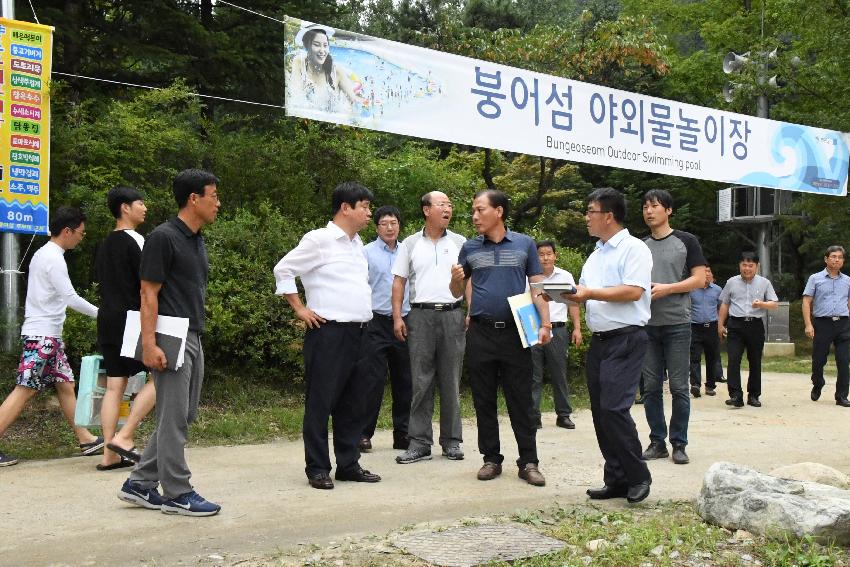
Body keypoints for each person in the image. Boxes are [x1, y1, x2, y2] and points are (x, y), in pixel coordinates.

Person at [117, 169, 221, 516]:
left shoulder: (196, 238)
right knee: (174, 416)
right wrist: (149, 345)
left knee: (183, 414)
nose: (218, 202)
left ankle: (141, 483)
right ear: (194, 199)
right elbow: (148, 293)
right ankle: (178, 491)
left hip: (192, 334)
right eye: (213, 195)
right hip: (169, 336)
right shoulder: (163, 237)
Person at [273, 181, 381, 490]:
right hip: (328, 332)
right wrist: (300, 308)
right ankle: (318, 467)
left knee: (354, 401)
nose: (369, 213)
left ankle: (348, 464)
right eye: (365, 207)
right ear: (346, 207)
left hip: (361, 332)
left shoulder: (358, 244)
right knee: (321, 401)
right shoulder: (319, 240)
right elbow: (283, 269)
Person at [449, 189, 550, 487]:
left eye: (480, 210)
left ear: (499, 212)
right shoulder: (469, 248)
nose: (475, 216)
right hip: (480, 331)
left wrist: (545, 323)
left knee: (521, 400)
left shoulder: (524, 245)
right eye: (473, 210)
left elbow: (537, 288)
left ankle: (529, 461)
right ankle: (491, 459)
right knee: (483, 399)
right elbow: (457, 293)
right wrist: (455, 282)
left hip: (515, 331)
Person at [568, 187, 653, 503]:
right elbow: (586, 292)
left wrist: (589, 294)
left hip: (627, 338)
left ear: (608, 215)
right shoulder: (595, 254)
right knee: (601, 412)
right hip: (600, 341)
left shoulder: (634, 249)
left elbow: (633, 291)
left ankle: (638, 476)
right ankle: (616, 477)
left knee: (615, 408)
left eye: (590, 211)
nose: (586, 217)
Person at [0, 207, 103, 467]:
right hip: (42, 337)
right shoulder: (53, 258)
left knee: (65, 386)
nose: (82, 237)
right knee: (24, 390)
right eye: (80, 232)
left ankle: (85, 439)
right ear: (67, 231)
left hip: (48, 337)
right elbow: (70, 297)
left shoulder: (44, 254)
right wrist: (103, 315)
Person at [393, 191, 467, 464]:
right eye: (442, 205)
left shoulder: (461, 242)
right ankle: (419, 442)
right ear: (426, 210)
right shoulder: (410, 243)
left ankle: (452, 442)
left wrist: (471, 310)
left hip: (453, 315)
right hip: (420, 316)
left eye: (449, 205)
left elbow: (468, 281)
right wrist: (397, 317)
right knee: (420, 381)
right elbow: (399, 282)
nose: (448, 209)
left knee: (451, 380)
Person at [640, 189, 706, 466]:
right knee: (651, 387)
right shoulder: (640, 245)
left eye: (654, 206)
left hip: (678, 323)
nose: (649, 211)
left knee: (679, 387)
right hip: (647, 325)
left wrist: (669, 289)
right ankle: (657, 442)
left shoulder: (686, 241)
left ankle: (679, 443)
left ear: (668, 210)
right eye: (645, 206)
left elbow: (700, 279)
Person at [95, 186, 157, 471]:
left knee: (114, 386)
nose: (145, 208)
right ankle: (123, 437)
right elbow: (149, 285)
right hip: (132, 319)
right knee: (161, 377)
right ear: (125, 208)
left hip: (107, 317)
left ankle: (109, 453)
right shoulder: (137, 241)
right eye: (140, 203)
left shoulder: (104, 243)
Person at [360, 206, 413, 452]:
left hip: (405, 320)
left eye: (393, 222)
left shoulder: (409, 250)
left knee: (405, 380)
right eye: (384, 223)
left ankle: (403, 434)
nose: (390, 227)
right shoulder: (366, 253)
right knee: (372, 380)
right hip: (376, 321)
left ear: (399, 225)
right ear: (376, 227)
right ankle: (363, 434)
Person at [530, 240, 582, 430]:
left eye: (548, 253)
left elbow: (573, 303)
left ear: (555, 255)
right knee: (533, 375)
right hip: (534, 329)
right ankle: (534, 416)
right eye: (541, 254)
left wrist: (577, 328)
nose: (545, 257)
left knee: (559, 373)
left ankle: (563, 414)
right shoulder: (530, 278)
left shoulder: (565, 276)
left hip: (558, 329)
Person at [717, 251, 778, 408]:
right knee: (733, 360)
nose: (747, 268)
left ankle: (754, 395)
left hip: (755, 325)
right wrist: (720, 324)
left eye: (750, 265)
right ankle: (736, 395)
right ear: (739, 265)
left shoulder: (764, 283)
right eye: (744, 265)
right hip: (735, 325)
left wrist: (761, 304)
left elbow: (774, 304)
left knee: (755, 361)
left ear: (756, 266)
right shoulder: (731, 282)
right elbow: (725, 303)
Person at [802, 245, 850, 406]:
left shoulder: (847, 281)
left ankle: (842, 395)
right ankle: (818, 382)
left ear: (843, 261)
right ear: (826, 259)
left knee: (844, 361)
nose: (836, 259)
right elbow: (806, 301)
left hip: (843, 323)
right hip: (822, 323)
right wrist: (808, 324)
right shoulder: (815, 278)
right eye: (833, 256)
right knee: (818, 360)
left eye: (840, 257)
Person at [288, 24, 366, 114]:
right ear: (307, 46)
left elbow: (353, 99)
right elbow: (295, 96)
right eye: (317, 45)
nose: (322, 50)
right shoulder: (299, 62)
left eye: (325, 45)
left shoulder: (336, 71)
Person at [689, 264, 724, 397]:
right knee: (695, 357)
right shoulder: (691, 289)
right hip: (695, 326)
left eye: (709, 271)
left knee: (712, 357)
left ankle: (710, 385)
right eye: (704, 272)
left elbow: (722, 308)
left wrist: (721, 325)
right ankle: (695, 384)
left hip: (712, 326)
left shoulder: (717, 290)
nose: (707, 274)